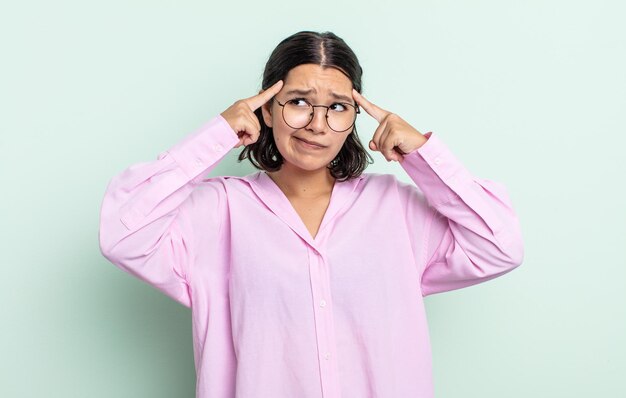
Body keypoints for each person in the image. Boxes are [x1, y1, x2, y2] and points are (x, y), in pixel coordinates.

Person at [98, 30, 524, 398]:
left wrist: (423, 156)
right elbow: (122, 233)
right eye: (298, 101)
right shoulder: (216, 212)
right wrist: (216, 136)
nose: (317, 124)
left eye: (337, 107)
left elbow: (500, 246)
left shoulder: (396, 208)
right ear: (266, 109)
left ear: (355, 116)